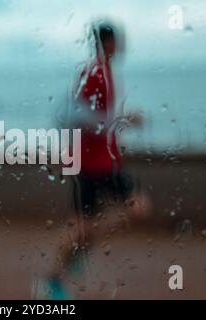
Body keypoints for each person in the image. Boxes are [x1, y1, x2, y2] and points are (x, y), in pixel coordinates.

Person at [39, 20, 151, 300]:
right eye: (116, 40)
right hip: (90, 165)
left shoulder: (105, 72)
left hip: (104, 163)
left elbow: (98, 118)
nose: (120, 45)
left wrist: (117, 133)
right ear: (108, 43)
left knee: (92, 226)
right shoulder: (95, 73)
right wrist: (127, 118)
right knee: (132, 211)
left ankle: (78, 253)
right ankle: (55, 278)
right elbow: (81, 116)